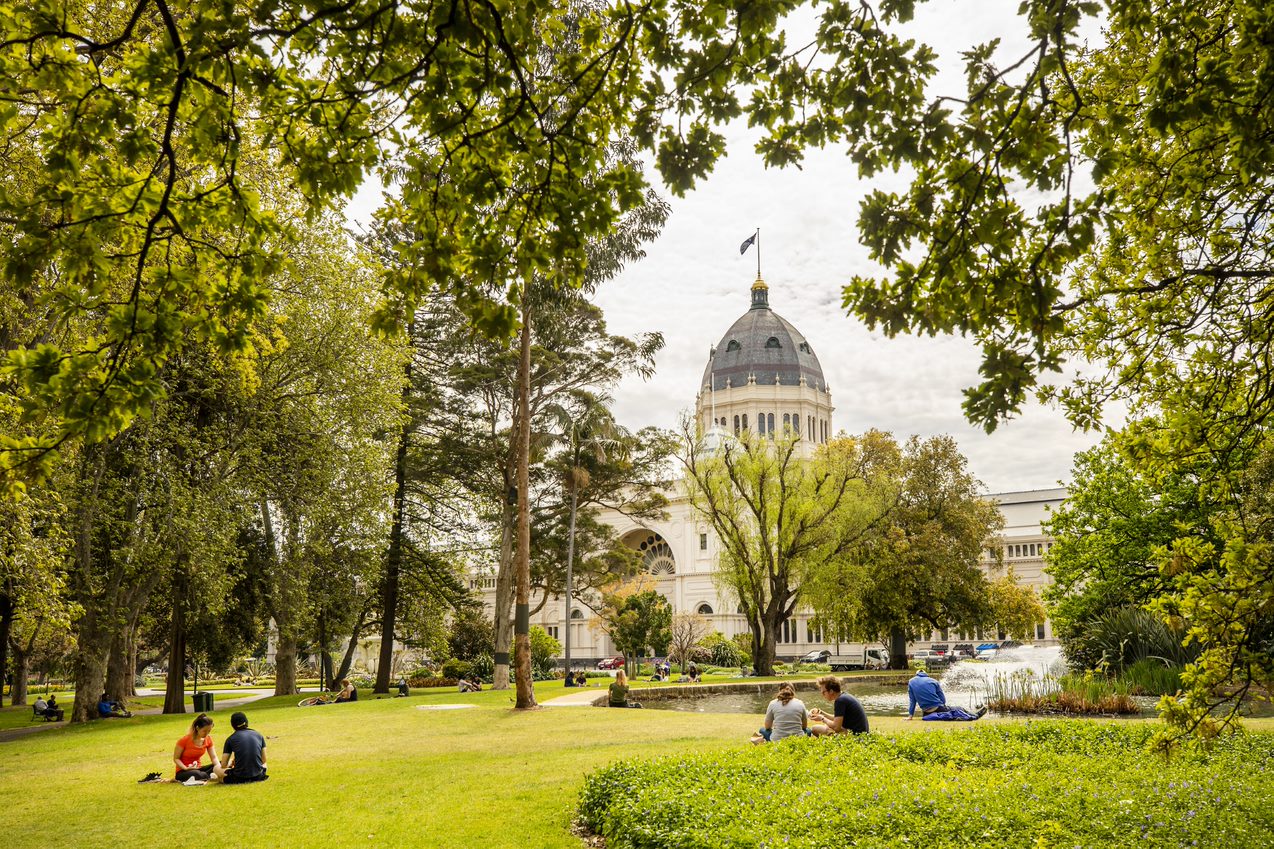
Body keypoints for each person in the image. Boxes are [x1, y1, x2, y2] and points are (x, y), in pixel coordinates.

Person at [905, 668, 986, 721]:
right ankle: (975, 716)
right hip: (938, 707)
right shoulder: (933, 681)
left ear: (916, 675)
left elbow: (912, 701)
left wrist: (910, 716)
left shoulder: (911, 682)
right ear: (926, 675)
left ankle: (972, 715)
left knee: (950, 711)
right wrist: (943, 707)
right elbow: (943, 700)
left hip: (926, 712)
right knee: (960, 708)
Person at [220, 711, 268, 784]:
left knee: (216, 769)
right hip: (258, 776)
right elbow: (264, 760)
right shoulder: (259, 735)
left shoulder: (230, 739)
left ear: (232, 725)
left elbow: (223, 765)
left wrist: (232, 763)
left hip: (238, 778)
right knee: (265, 765)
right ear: (246, 722)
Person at [173, 713, 222, 783]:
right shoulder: (184, 740)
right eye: (204, 731)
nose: (207, 734)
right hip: (183, 771)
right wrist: (186, 768)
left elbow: (214, 757)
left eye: (209, 731)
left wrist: (218, 767)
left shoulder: (208, 739)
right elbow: (176, 758)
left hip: (198, 769)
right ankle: (212, 775)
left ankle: (214, 774)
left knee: (222, 763)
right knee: (198, 774)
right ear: (197, 728)